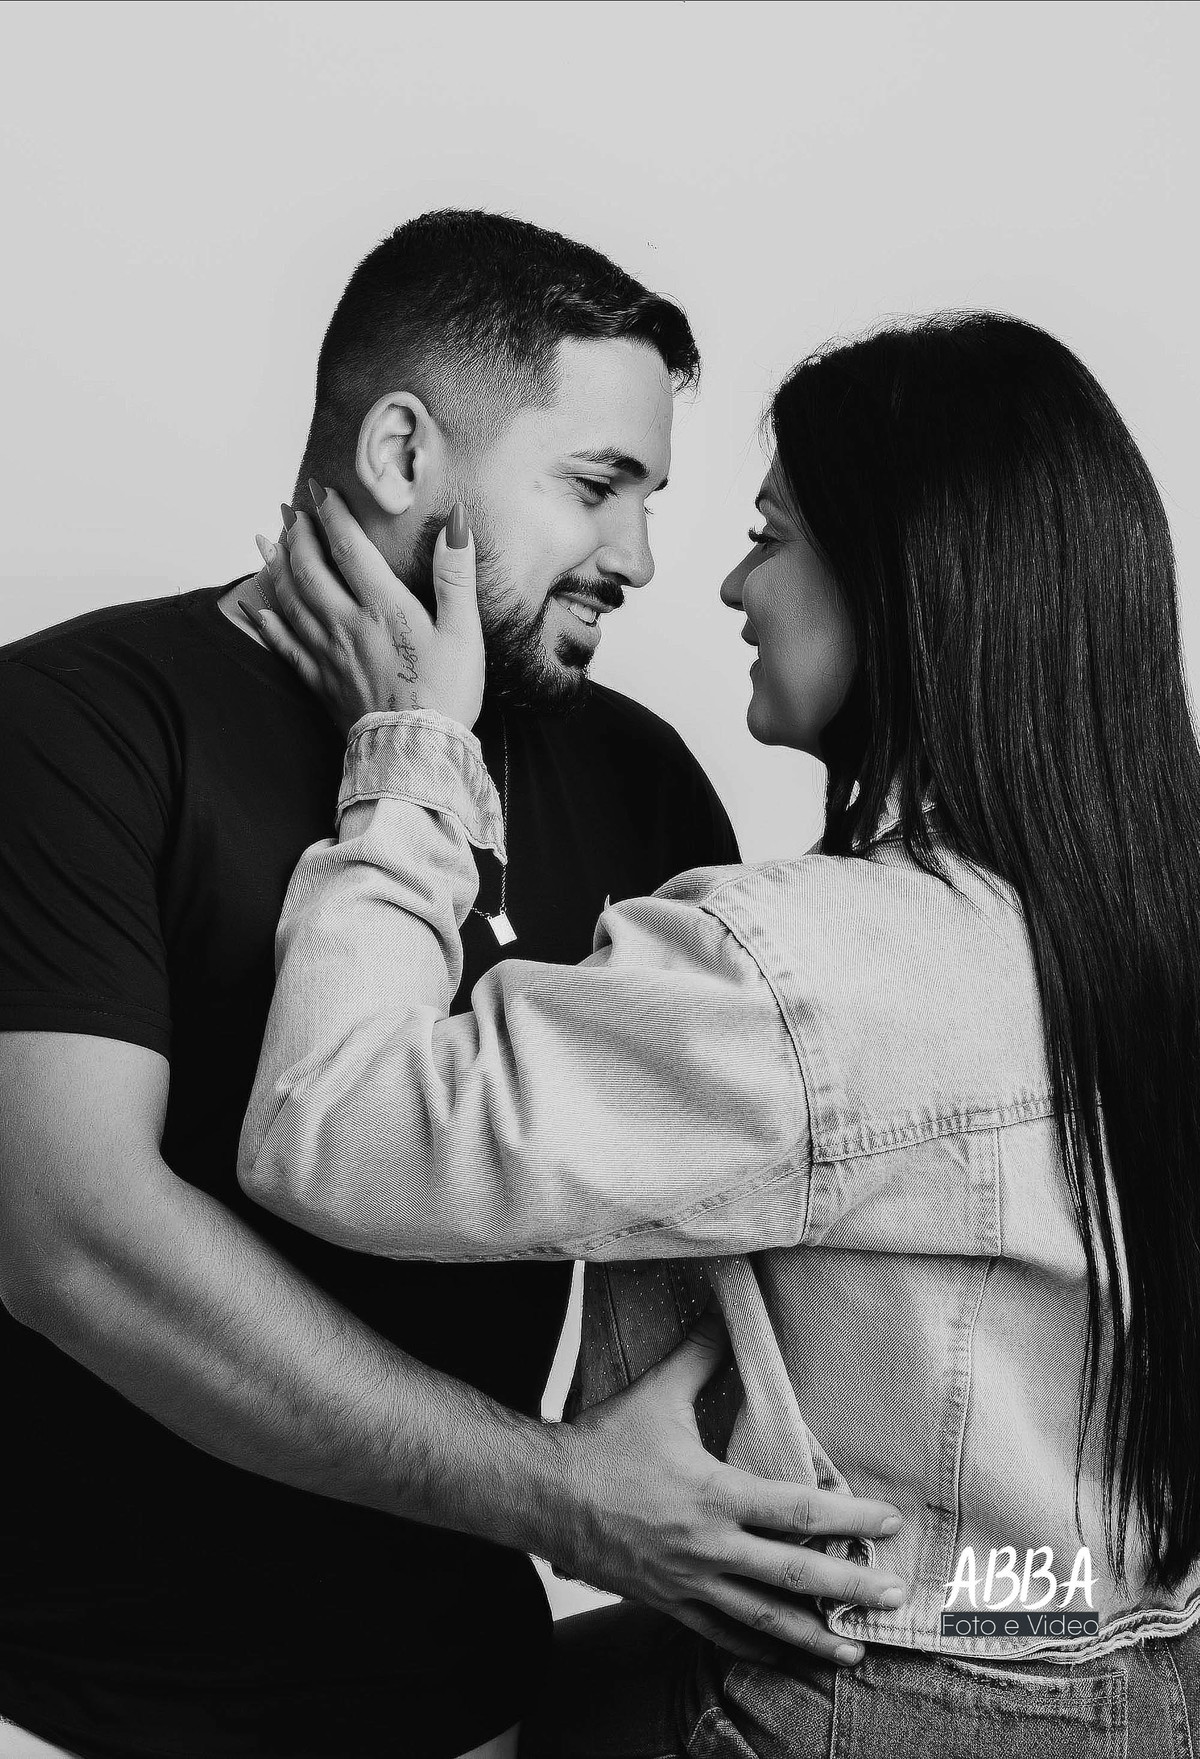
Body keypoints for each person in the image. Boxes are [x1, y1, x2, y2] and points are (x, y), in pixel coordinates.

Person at [0, 211, 904, 1759]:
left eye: (650, 502)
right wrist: (560, 1497)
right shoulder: (73, 727)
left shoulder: (640, 783)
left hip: (468, 1707)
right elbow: (66, 1236)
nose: (639, 560)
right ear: (405, 452)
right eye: (596, 486)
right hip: (75, 1707)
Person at [238, 311, 1200, 1754]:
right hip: (1116, 1668)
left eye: (771, 535)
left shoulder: (810, 971)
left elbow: (329, 1125)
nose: (731, 584)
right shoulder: (1145, 911)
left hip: (892, 1709)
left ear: (903, 578)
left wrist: (415, 749)